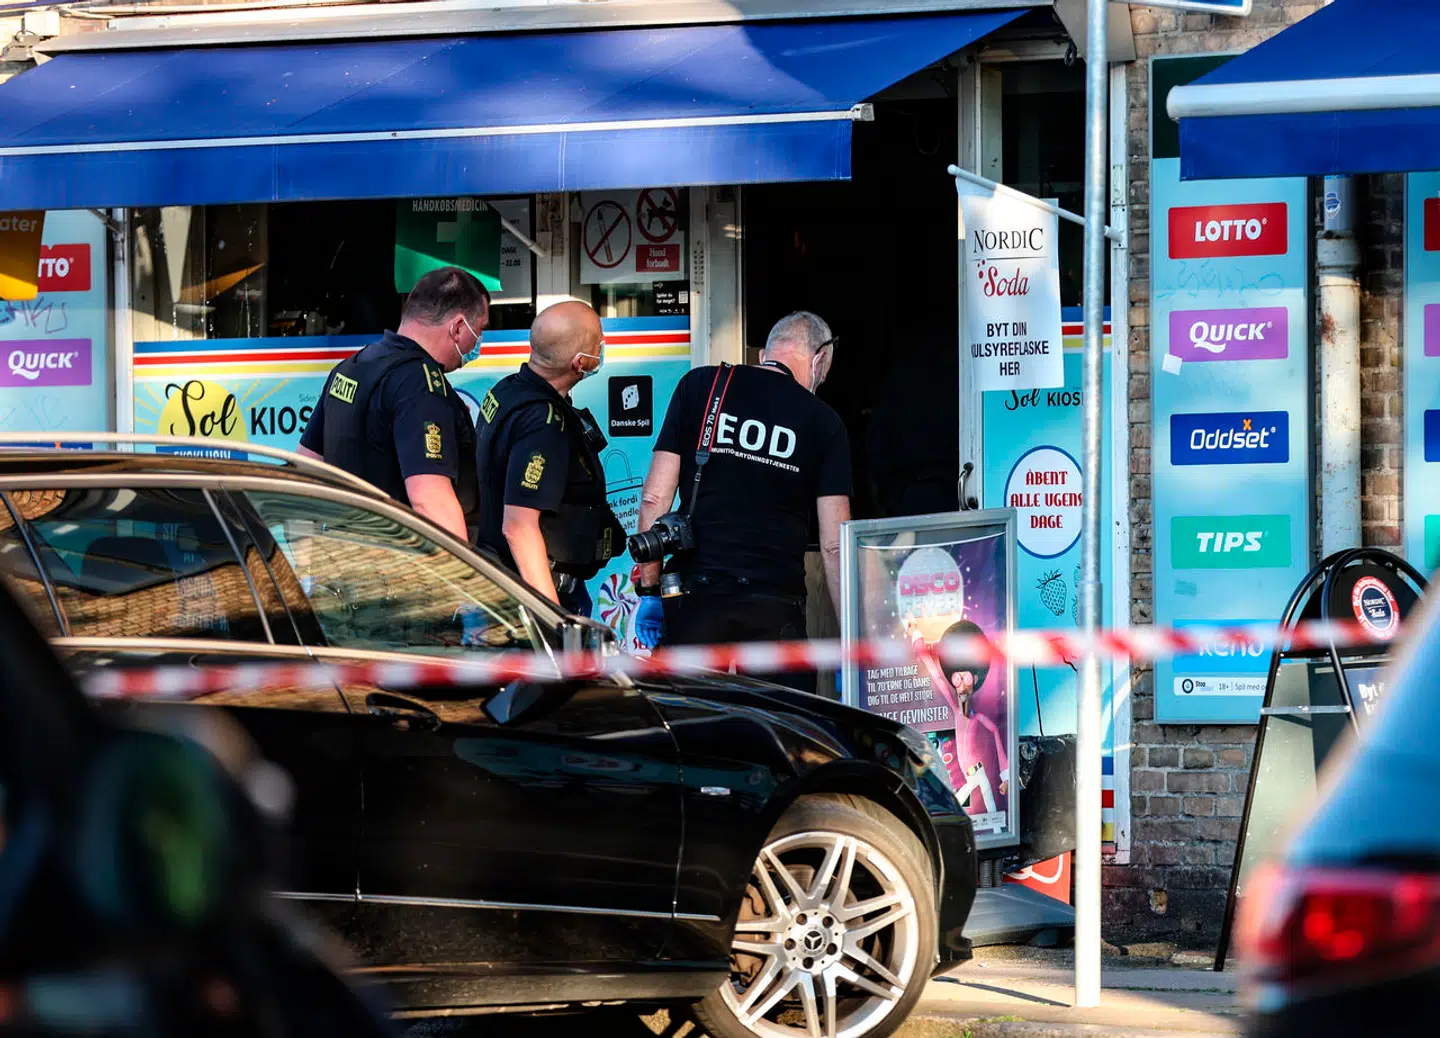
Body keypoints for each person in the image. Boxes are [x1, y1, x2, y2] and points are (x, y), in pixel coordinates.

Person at [633, 311, 853, 694]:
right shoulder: (824, 422)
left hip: (695, 598)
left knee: (688, 726)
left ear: (768, 352)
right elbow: (834, 545)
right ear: (818, 360)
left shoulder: (701, 384)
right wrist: (854, 639)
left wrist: (650, 591)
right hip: (774, 605)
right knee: (784, 730)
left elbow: (655, 498)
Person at [297, 266, 487, 544]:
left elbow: (306, 466)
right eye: (480, 330)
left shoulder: (352, 367)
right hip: (401, 566)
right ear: (458, 327)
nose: (478, 342)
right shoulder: (419, 383)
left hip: (347, 555)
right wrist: (469, 581)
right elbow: (431, 502)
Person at [473, 300, 624, 617]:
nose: (602, 349)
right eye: (599, 344)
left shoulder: (509, 390)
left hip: (512, 584)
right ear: (580, 362)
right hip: (537, 593)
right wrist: (551, 620)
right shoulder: (543, 422)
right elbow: (519, 526)